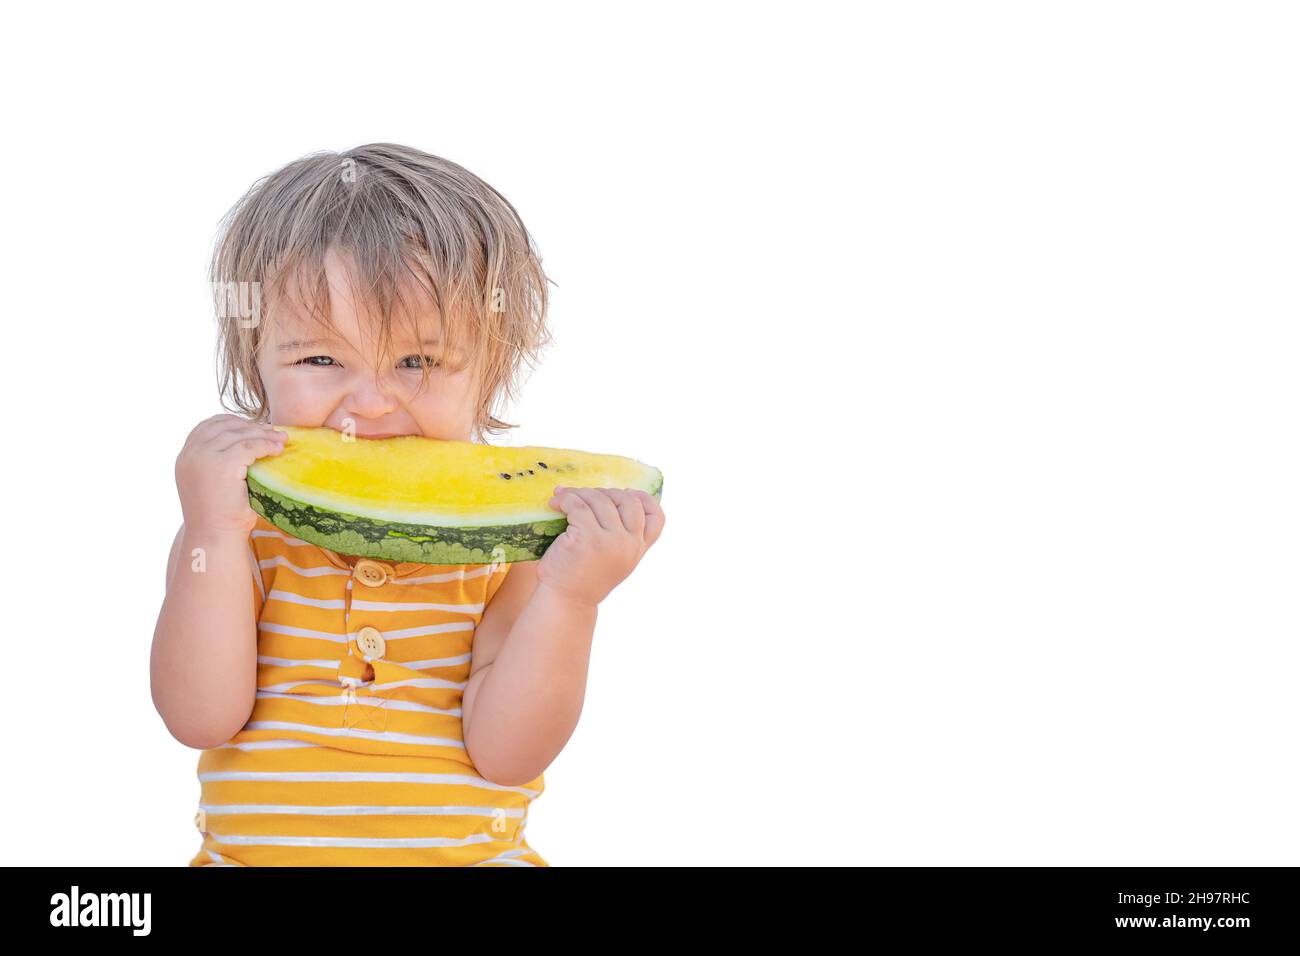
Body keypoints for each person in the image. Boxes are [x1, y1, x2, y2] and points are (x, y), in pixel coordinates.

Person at [150, 143, 666, 865]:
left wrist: (573, 599)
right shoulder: (238, 535)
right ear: (252, 360)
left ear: (491, 370)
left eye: (417, 362)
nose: (370, 404)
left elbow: (507, 755)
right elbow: (199, 717)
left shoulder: (506, 552)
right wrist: (210, 527)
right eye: (320, 360)